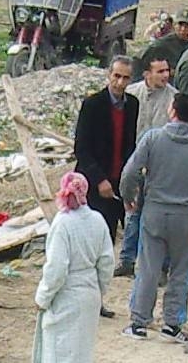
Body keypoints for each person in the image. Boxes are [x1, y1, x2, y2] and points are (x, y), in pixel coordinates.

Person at [120, 93, 188, 343]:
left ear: (172, 110)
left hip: (155, 211)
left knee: (148, 267)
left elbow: (130, 172)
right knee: (181, 270)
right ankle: (172, 323)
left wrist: (129, 197)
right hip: (186, 215)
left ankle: (139, 322)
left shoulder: (153, 138)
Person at [32, 172, 114, 363]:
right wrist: (99, 288)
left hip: (66, 295)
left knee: (59, 353)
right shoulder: (98, 219)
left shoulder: (62, 223)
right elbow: (107, 262)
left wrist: (43, 297)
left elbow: (56, 268)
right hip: (89, 293)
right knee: (82, 353)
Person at [114, 57, 177, 277]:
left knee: (160, 218)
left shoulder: (173, 98)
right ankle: (127, 260)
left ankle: (161, 267)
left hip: (160, 168)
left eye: (167, 70)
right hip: (134, 163)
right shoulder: (131, 95)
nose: (165, 75)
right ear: (147, 74)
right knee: (132, 213)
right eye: (159, 71)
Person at [74, 55, 139, 243]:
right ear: (109, 75)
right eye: (116, 76)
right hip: (94, 184)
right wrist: (100, 180)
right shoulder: (92, 105)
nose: (120, 82)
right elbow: (82, 149)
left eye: (125, 78)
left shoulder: (132, 105)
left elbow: (129, 143)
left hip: (119, 182)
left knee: (110, 238)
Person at [134, 9, 188, 82]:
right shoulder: (162, 44)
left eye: (187, 26)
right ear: (174, 25)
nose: (183, 29)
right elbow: (138, 59)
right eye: (180, 24)